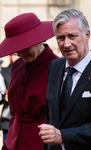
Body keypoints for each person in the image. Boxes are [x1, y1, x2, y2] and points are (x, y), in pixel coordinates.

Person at [38, 9, 91, 150]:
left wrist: (62, 136)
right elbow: (51, 118)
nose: (66, 44)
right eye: (61, 38)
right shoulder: (54, 67)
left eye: (72, 36)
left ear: (87, 35)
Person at [0, 13, 59, 150]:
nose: (19, 54)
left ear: (38, 40)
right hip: (12, 143)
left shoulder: (57, 66)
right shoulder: (18, 65)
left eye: (24, 47)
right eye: (16, 48)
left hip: (40, 145)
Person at [0, 53, 19, 142]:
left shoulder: (27, 70)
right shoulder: (3, 71)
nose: (17, 56)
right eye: (15, 54)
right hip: (8, 117)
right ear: (9, 56)